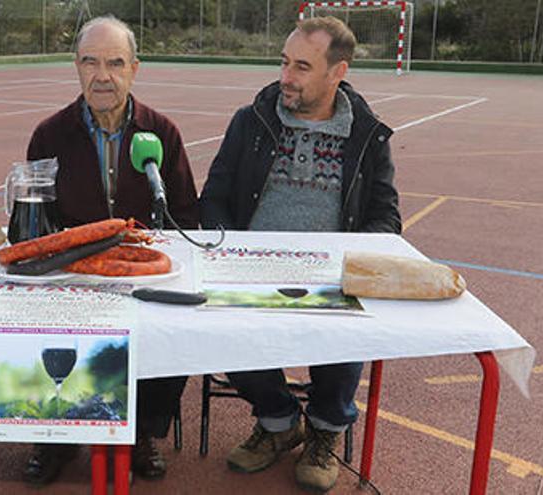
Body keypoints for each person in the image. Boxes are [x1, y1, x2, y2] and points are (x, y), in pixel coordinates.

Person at [200, 17, 401, 493]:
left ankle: (326, 431)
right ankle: (279, 421)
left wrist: (343, 263)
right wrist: (233, 250)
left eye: (303, 67)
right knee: (220, 322)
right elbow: (214, 196)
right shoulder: (251, 120)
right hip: (251, 270)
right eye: (285, 62)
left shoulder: (367, 136)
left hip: (328, 277)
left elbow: (385, 217)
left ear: (337, 72)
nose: (286, 76)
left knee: (350, 324)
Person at [22, 15, 200, 485]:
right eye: (91, 62)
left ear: (134, 69)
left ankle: (141, 432)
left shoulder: (162, 132)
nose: (103, 75)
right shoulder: (49, 135)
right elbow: (38, 225)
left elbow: (186, 213)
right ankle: (55, 436)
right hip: (73, 275)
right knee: (35, 323)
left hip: (143, 271)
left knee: (172, 329)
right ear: (76, 67)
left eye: (115, 63)